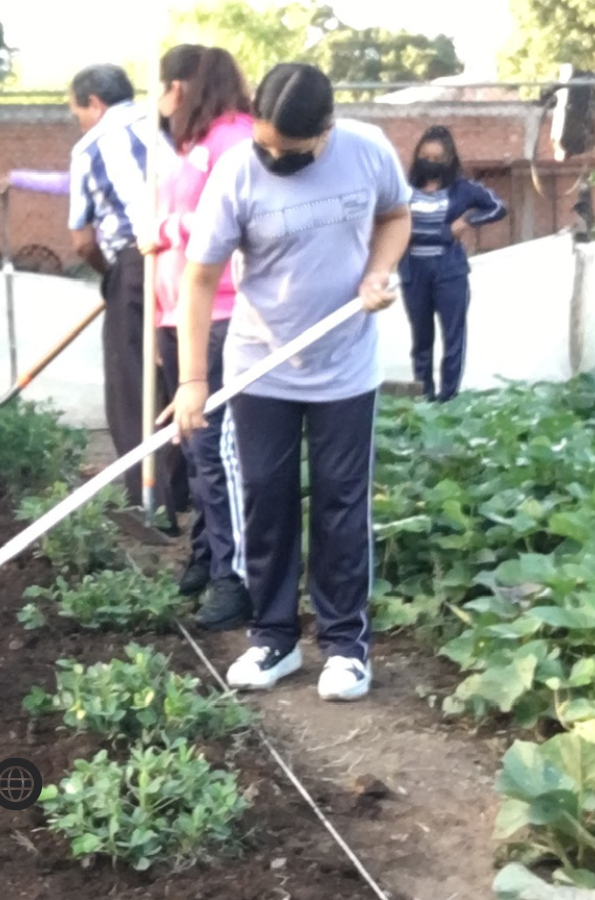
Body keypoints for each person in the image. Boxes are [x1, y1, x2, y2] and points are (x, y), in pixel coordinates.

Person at [168, 63, 411, 702]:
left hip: (345, 367)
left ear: (326, 130)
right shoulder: (236, 172)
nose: (272, 159)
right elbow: (198, 279)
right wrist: (194, 379)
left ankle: (344, 647)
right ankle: (273, 638)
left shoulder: (368, 151)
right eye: (265, 145)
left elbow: (396, 217)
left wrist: (377, 274)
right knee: (266, 500)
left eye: (290, 152)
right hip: (261, 366)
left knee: (340, 502)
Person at [142, 45, 256, 628]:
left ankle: (232, 579)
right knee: (195, 450)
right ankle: (208, 553)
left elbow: (229, 223)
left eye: (161, 87)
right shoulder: (195, 144)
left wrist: (162, 228)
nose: (157, 100)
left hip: (221, 314)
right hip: (179, 315)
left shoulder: (234, 142)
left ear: (181, 87)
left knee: (214, 453)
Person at [64, 64, 173, 517]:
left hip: (133, 260)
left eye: (78, 112)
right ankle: (188, 488)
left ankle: (153, 502)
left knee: (132, 383)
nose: (80, 121)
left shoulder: (89, 147)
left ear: (94, 103)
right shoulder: (168, 123)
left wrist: (114, 274)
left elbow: (82, 240)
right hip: (191, 254)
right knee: (183, 371)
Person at [400, 125, 506, 403]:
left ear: (448, 160)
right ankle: (424, 396)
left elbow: (497, 207)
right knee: (421, 339)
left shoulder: (463, 189)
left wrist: (467, 220)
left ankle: (449, 399)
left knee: (453, 336)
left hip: (450, 270)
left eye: (437, 159)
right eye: (425, 157)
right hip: (414, 270)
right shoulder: (403, 189)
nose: (430, 163)